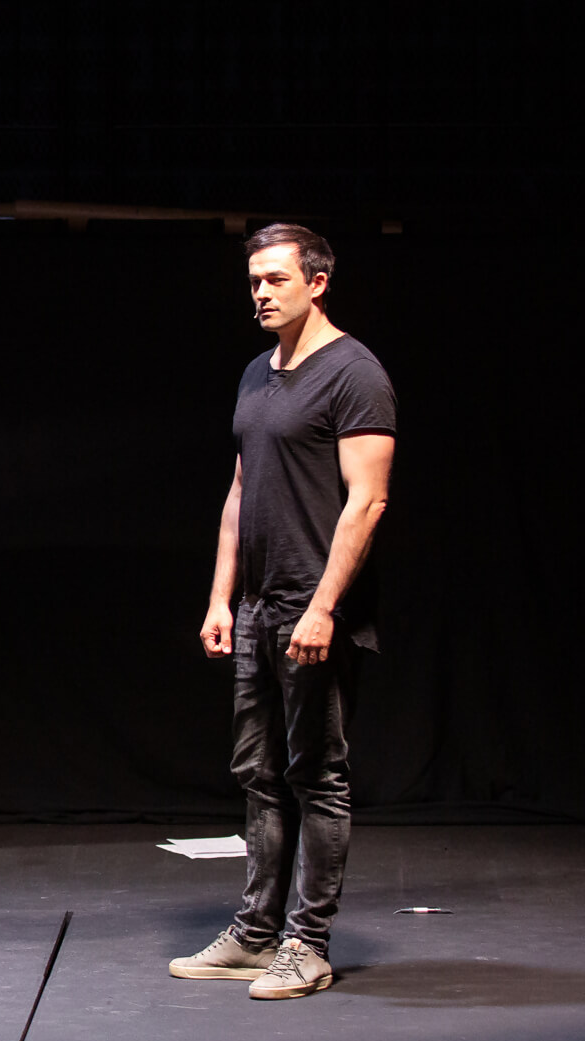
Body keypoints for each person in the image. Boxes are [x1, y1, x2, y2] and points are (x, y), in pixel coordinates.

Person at [174, 225, 396, 999]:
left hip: (313, 608)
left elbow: (368, 501)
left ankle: (308, 944)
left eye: (275, 279)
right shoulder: (256, 373)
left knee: (317, 776)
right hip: (259, 606)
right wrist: (221, 597)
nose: (261, 293)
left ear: (318, 282)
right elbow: (240, 490)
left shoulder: (354, 373)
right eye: (254, 281)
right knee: (259, 774)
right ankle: (254, 932)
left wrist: (325, 607)